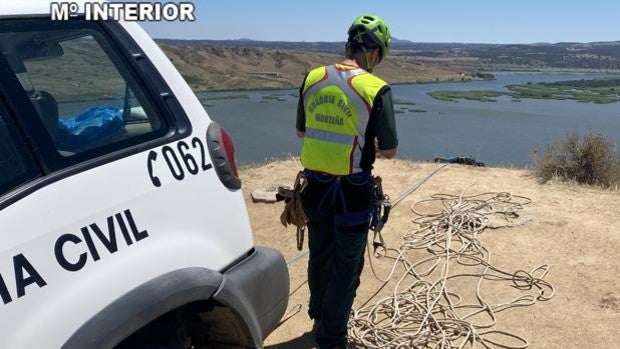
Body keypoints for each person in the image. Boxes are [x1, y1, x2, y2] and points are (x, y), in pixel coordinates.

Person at [295, 13, 398, 349]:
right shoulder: (375, 89)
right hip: (351, 193)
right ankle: (332, 337)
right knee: (346, 266)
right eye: (379, 55)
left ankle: (318, 317)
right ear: (372, 51)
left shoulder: (312, 77)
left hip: (315, 188)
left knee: (319, 255)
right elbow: (391, 149)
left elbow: (301, 130)